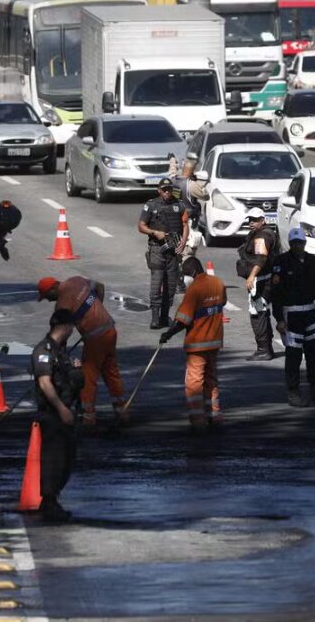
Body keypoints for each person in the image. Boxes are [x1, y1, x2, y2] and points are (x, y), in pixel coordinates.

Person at [38, 275, 127, 427]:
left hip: (95, 338)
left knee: (87, 377)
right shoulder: (76, 280)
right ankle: (122, 411)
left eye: (47, 296)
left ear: (53, 288)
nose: (48, 300)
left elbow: (62, 330)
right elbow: (100, 286)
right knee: (111, 372)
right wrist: (98, 309)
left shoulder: (62, 304)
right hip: (110, 330)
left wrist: (58, 351)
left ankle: (88, 418)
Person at [270, 228, 315, 407]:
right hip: (292, 314)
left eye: (300, 243)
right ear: (290, 244)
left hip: (310, 313)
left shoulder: (313, 261)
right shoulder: (281, 262)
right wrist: (279, 320)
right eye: (295, 243)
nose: (298, 246)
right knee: (294, 356)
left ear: (304, 243)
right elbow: (276, 294)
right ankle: (293, 392)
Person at [161, 256, 226, 429]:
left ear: (193, 272)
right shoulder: (218, 283)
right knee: (211, 379)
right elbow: (223, 302)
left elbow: (183, 319)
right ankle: (215, 414)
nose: (185, 277)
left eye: (186, 274)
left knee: (194, 382)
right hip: (214, 341)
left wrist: (168, 334)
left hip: (198, 343)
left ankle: (198, 420)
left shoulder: (194, 289)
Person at [31, 309, 82, 522]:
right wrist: (61, 409)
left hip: (67, 411)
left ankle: (52, 500)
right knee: (54, 459)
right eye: (71, 327)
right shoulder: (45, 350)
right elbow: (45, 382)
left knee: (67, 459)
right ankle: (49, 502)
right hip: (53, 413)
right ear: (65, 326)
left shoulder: (61, 352)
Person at [137, 179, 188, 330]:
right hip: (157, 249)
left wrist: (183, 242)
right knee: (157, 282)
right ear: (159, 190)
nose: (167, 192)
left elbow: (185, 224)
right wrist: (155, 233)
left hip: (173, 249)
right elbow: (141, 226)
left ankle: (165, 317)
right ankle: (154, 318)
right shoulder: (151, 205)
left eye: (169, 189)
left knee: (171, 284)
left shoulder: (178, 205)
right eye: (164, 189)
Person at [237, 208, 279, 361]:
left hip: (261, 281)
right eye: (250, 220)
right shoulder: (259, 233)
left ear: (263, 220)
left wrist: (252, 277)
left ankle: (263, 350)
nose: (251, 222)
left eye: (255, 220)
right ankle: (267, 348)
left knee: (257, 314)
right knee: (262, 313)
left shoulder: (263, 235)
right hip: (263, 278)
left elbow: (261, 258)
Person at [174, 157, 209, 262]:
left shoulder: (173, 181)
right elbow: (206, 196)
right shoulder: (191, 185)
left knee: (176, 247)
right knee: (188, 251)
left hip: (173, 220)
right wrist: (197, 181)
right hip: (188, 221)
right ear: (193, 171)